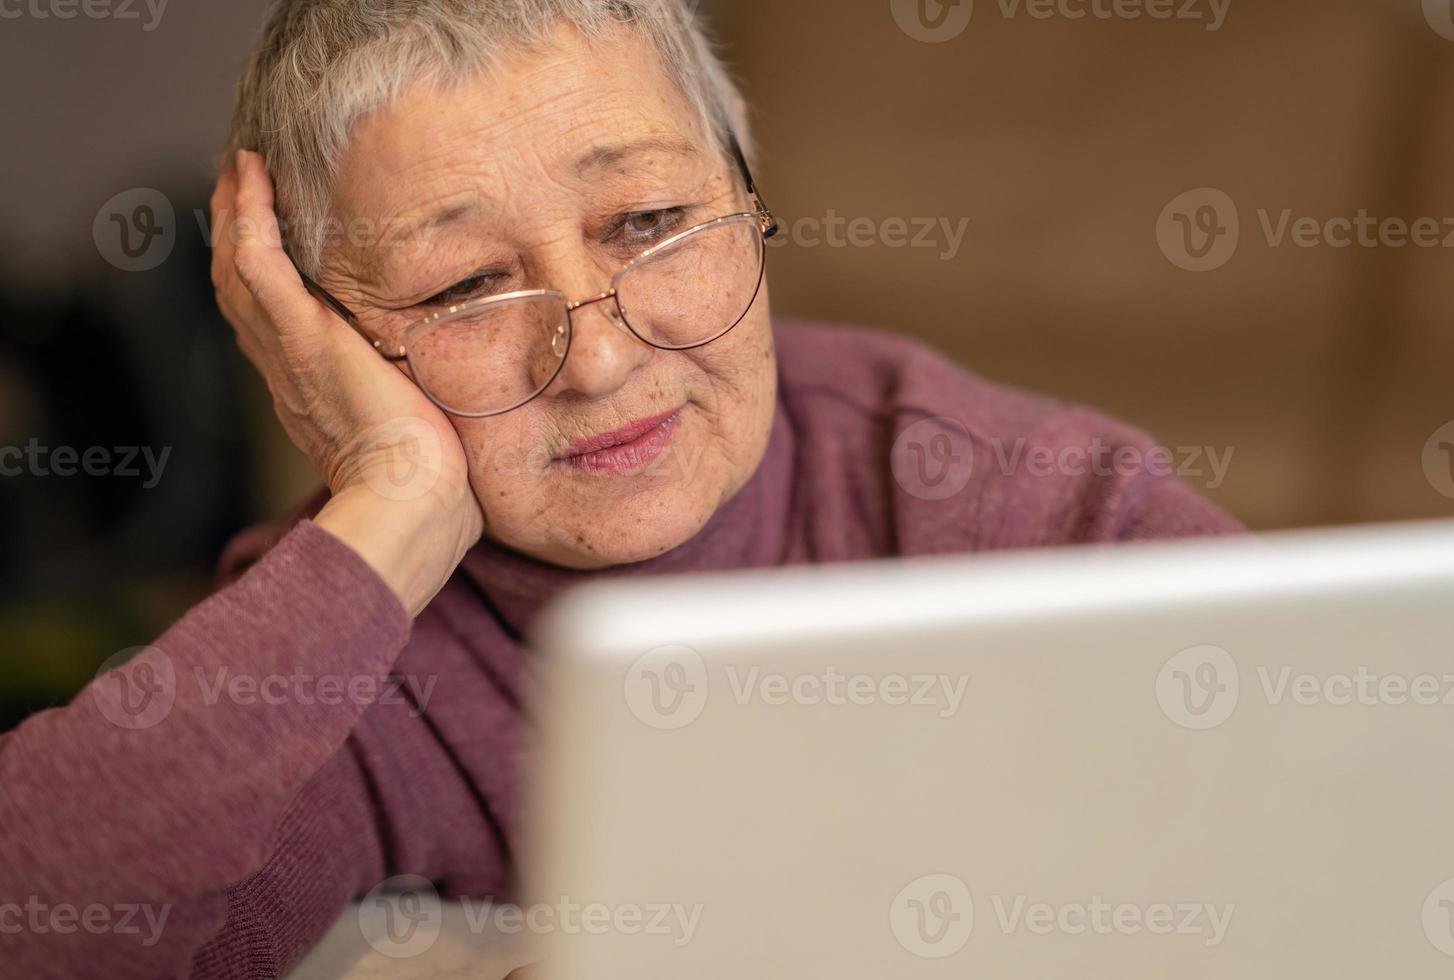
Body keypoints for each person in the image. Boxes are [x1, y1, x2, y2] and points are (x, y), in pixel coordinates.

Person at [0, 1, 1241, 976]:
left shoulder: (1003, 498)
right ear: (319, 346)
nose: (596, 359)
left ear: (752, 199)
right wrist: (388, 503)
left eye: (650, 220)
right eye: (461, 288)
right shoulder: (348, 647)